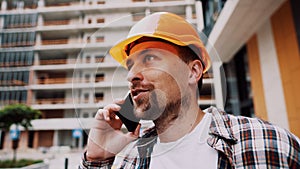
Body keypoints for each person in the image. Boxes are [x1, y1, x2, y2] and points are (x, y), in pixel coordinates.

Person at [79, 12, 300, 169]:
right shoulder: (130, 159)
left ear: (193, 72)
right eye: (130, 66)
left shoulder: (269, 144)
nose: (131, 76)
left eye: (150, 59)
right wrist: (97, 159)